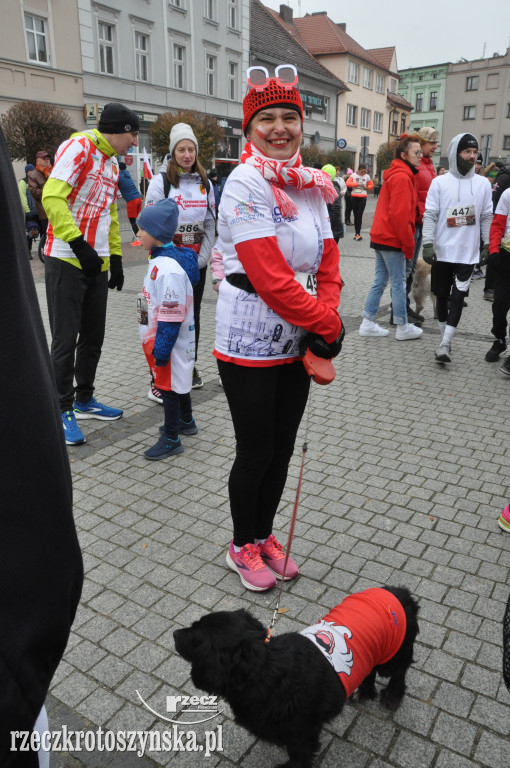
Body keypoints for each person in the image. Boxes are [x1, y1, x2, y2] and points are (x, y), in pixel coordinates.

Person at [215, 65, 344, 591]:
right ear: (249, 129)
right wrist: (327, 322)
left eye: (288, 117)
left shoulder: (312, 184)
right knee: (256, 450)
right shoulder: (245, 181)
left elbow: (329, 261)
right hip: (247, 337)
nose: (279, 127)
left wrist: (327, 321)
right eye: (265, 118)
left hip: (298, 338)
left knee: (284, 447)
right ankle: (241, 545)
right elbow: (268, 277)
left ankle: (266, 535)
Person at [0, 124, 83, 768]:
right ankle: (68, 404)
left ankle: (75, 400)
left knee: (77, 348)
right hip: (62, 258)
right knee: (59, 351)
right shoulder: (76, 157)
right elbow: (52, 204)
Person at [42, 102, 139, 444]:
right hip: (67, 258)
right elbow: (52, 197)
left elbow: (110, 212)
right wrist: (78, 243)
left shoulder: (112, 162)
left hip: (95, 262)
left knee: (94, 338)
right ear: (117, 130)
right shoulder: (79, 147)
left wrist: (114, 257)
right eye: (133, 133)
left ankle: (84, 398)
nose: (135, 142)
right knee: (65, 341)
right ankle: (61, 408)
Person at [145, 122, 216, 395]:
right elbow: (150, 225)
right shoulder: (160, 182)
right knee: (162, 319)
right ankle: (158, 378)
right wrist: (170, 258)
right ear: (173, 152)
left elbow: (210, 224)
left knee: (191, 318)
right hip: (167, 264)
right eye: (181, 149)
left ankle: (189, 366)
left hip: (195, 263)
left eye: (191, 149)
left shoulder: (205, 183)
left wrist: (202, 259)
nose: (187, 155)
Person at [137, 198, 200, 460]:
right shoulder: (159, 261)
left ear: (155, 234)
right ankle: (186, 421)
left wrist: (161, 350)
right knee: (178, 382)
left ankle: (172, 437)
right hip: (162, 341)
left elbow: (171, 316)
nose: (138, 233)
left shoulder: (169, 271)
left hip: (169, 344)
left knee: (169, 388)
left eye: (141, 229)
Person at [422, 133, 492, 363]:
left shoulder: (482, 184)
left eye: (475, 152)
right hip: (442, 251)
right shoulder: (439, 182)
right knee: (441, 296)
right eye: (467, 152)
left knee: (458, 296)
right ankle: (446, 340)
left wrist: (487, 244)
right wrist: (428, 243)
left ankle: (444, 343)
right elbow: (430, 214)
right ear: (455, 153)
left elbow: (486, 216)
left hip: (467, 253)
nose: (472, 157)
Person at [359, 134, 424, 341]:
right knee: (398, 282)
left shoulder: (397, 174)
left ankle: (367, 322)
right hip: (392, 239)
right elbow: (400, 216)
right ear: (404, 155)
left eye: (421, 152)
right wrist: (408, 246)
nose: (420, 156)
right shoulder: (403, 177)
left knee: (380, 281)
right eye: (416, 152)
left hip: (381, 237)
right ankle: (402, 326)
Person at [408, 127, 439, 320]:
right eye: (432, 142)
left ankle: (405, 309)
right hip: (414, 222)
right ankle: (401, 310)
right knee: (407, 270)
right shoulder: (418, 165)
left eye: (436, 143)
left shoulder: (428, 165)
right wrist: (420, 213)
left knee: (411, 269)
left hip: (422, 221)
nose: (435, 146)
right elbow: (414, 194)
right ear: (422, 142)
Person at [485, 186, 510, 367]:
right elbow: (497, 225)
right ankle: (499, 340)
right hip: (506, 257)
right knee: (499, 304)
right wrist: (493, 250)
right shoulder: (508, 194)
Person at [27, 150, 52, 243]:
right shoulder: (33, 175)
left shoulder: (53, 172)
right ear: (37, 161)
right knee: (49, 237)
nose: (46, 160)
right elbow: (34, 192)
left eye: (48, 158)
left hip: (58, 209)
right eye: (44, 158)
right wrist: (50, 191)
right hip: (45, 212)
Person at [346, 163, 374, 240]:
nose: (363, 173)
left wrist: (367, 187)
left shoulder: (367, 176)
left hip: (363, 197)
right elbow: (347, 183)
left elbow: (371, 184)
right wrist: (357, 184)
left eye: (364, 172)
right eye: (362, 171)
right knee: (355, 215)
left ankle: (358, 233)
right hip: (354, 197)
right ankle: (356, 233)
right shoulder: (353, 175)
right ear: (358, 170)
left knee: (359, 215)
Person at [118, 160, 142, 245]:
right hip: (138, 198)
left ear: (119, 168)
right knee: (139, 221)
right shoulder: (127, 175)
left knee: (133, 221)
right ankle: (143, 238)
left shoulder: (119, 177)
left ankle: (138, 240)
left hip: (131, 200)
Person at [18, 162, 38, 257]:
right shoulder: (23, 182)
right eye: (29, 171)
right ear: (26, 172)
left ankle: (44, 251)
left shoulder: (37, 181)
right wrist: (27, 210)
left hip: (40, 212)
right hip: (30, 212)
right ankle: (28, 252)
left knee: (43, 232)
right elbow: (22, 197)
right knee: (31, 232)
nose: (31, 172)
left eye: (33, 170)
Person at [322, 164, 344, 242]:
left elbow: (336, 206)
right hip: (328, 222)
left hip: (331, 223)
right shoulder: (323, 186)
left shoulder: (332, 187)